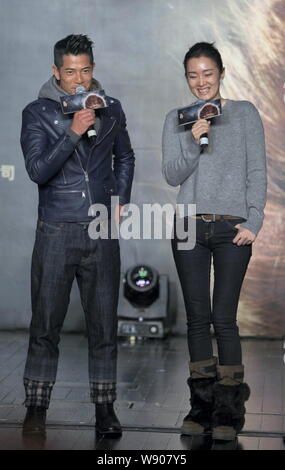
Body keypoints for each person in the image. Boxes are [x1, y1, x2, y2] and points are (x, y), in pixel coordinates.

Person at [21, 34, 135, 437]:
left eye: (85, 70)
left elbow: (126, 155)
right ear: (56, 72)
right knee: (45, 325)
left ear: (93, 69)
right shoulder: (36, 113)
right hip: (56, 228)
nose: (78, 79)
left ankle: (105, 409)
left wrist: (121, 198)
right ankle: (36, 407)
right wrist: (73, 130)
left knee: (104, 326)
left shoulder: (112, 108)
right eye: (70, 72)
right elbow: (37, 170)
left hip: (101, 230)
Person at [162, 42, 267, 441]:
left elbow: (257, 170)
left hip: (231, 229)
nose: (200, 82)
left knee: (224, 319)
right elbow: (172, 174)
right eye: (192, 75)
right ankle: (200, 406)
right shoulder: (177, 118)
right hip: (189, 226)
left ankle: (227, 409)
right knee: (196, 320)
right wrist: (193, 139)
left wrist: (254, 220)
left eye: (207, 73)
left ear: (221, 72)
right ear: (186, 78)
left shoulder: (244, 114)